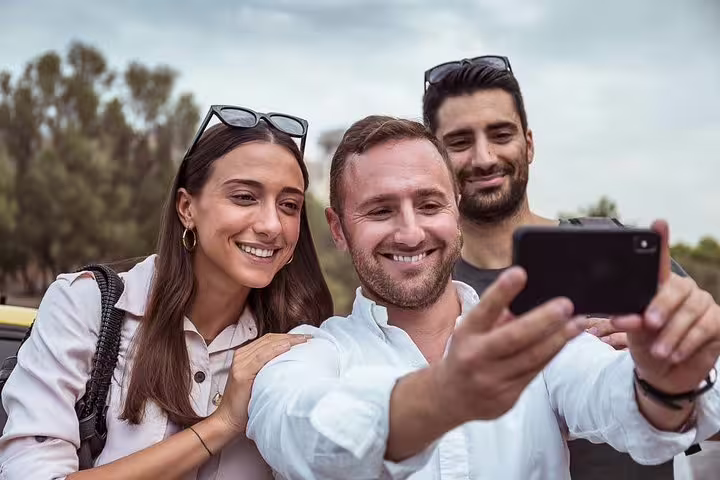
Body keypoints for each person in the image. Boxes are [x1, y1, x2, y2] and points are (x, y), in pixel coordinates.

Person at [246, 115, 720, 480]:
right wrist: (443, 395)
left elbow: (619, 405)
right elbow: (305, 435)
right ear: (339, 230)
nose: (410, 233)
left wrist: (665, 383)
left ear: (457, 212)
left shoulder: (537, 337)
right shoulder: (306, 355)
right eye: (380, 210)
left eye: (429, 205)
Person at [0, 105, 334, 479]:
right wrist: (222, 424)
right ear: (186, 207)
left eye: (289, 205)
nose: (272, 225)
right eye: (244, 197)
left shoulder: (298, 344)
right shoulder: (87, 306)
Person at [421, 55, 715, 478]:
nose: (484, 158)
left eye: (500, 134)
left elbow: (712, 414)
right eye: (460, 141)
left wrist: (663, 369)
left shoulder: (616, 251)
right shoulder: (429, 295)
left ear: (529, 143)